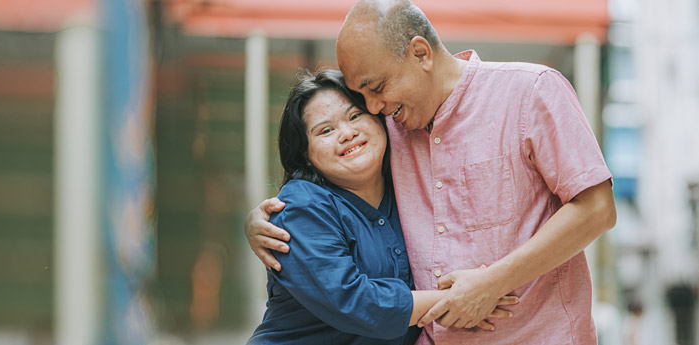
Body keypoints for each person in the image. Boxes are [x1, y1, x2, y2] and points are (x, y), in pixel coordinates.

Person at [244, 1, 618, 344]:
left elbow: (597, 209)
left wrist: (493, 282)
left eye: (376, 88)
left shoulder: (530, 91)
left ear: (421, 53)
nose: (372, 107)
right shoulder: (388, 126)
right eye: (362, 97)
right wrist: (260, 220)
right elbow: (330, 194)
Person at [248, 70, 518, 345]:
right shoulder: (301, 206)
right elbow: (354, 302)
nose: (347, 133)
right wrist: (461, 299)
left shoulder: (410, 192)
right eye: (326, 130)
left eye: (355, 116)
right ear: (305, 154)